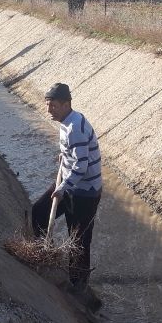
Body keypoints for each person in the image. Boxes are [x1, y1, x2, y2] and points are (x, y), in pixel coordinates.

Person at [31, 82, 102, 294]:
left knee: (78, 240)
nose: (49, 110)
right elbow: (76, 155)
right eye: (47, 105)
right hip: (71, 182)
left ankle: (79, 286)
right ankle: (48, 254)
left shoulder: (74, 128)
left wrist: (62, 188)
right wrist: (65, 155)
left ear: (66, 104)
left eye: (53, 106)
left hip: (85, 191)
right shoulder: (66, 122)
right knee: (40, 211)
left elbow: (83, 164)